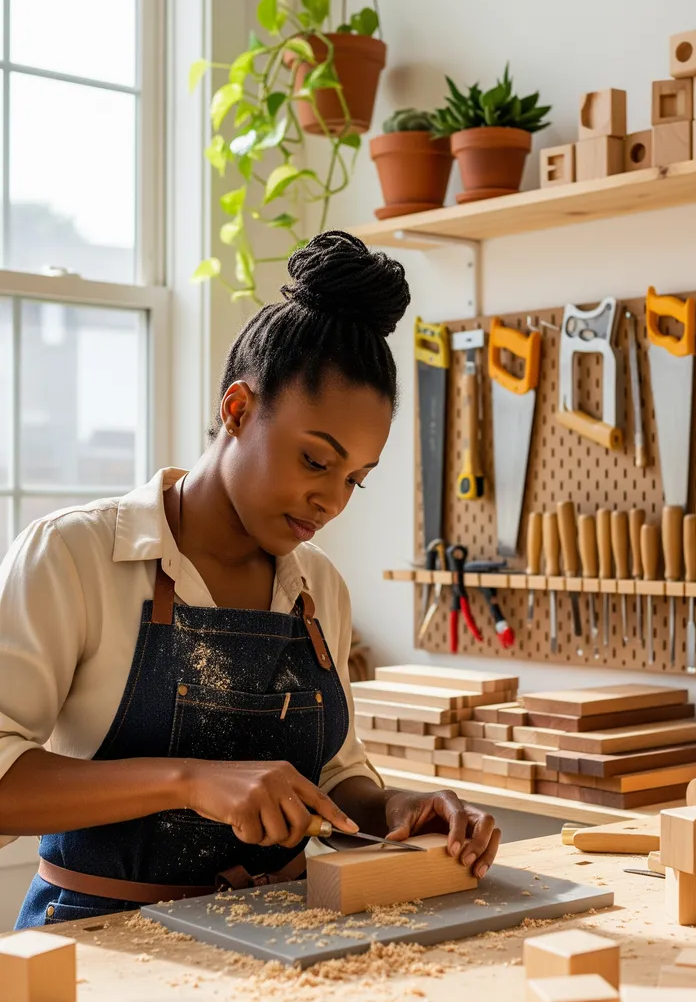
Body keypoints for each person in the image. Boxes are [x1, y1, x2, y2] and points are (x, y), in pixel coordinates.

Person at [0, 230, 501, 928]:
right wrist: (191, 780)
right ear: (237, 410)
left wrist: (391, 807)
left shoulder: (316, 586)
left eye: (355, 478)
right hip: (95, 941)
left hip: (284, 937)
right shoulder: (75, 557)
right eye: (316, 461)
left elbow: (334, 775)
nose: (333, 500)